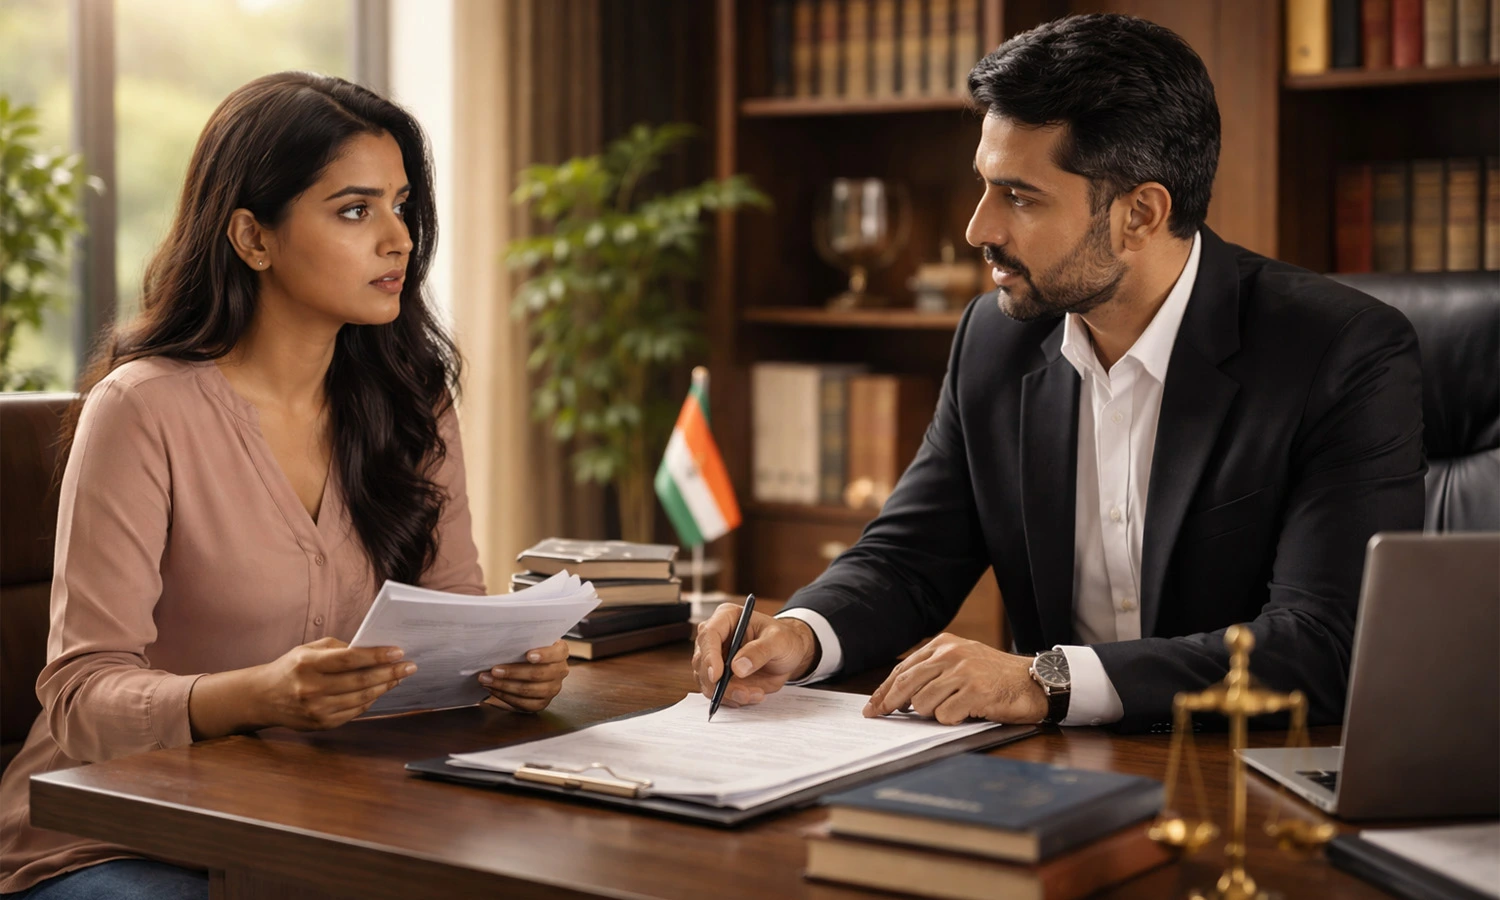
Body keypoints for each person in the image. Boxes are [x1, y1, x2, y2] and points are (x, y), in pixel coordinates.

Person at [693, 14, 1424, 734]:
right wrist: (799, 633)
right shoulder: (994, 339)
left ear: (1140, 215)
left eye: (1019, 196)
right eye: (984, 186)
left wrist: (1048, 680)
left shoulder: (1339, 352)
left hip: (1238, 772)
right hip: (1050, 773)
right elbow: (908, 559)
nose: (978, 229)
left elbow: (1323, 644)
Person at [0, 72, 569, 899]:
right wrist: (254, 696)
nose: (399, 240)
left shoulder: (413, 403)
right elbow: (81, 699)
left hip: (319, 826)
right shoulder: (141, 409)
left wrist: (508, 668)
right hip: (112, 840)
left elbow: (454, 611)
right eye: (354, 210)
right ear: (252, 238)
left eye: (401, 206)